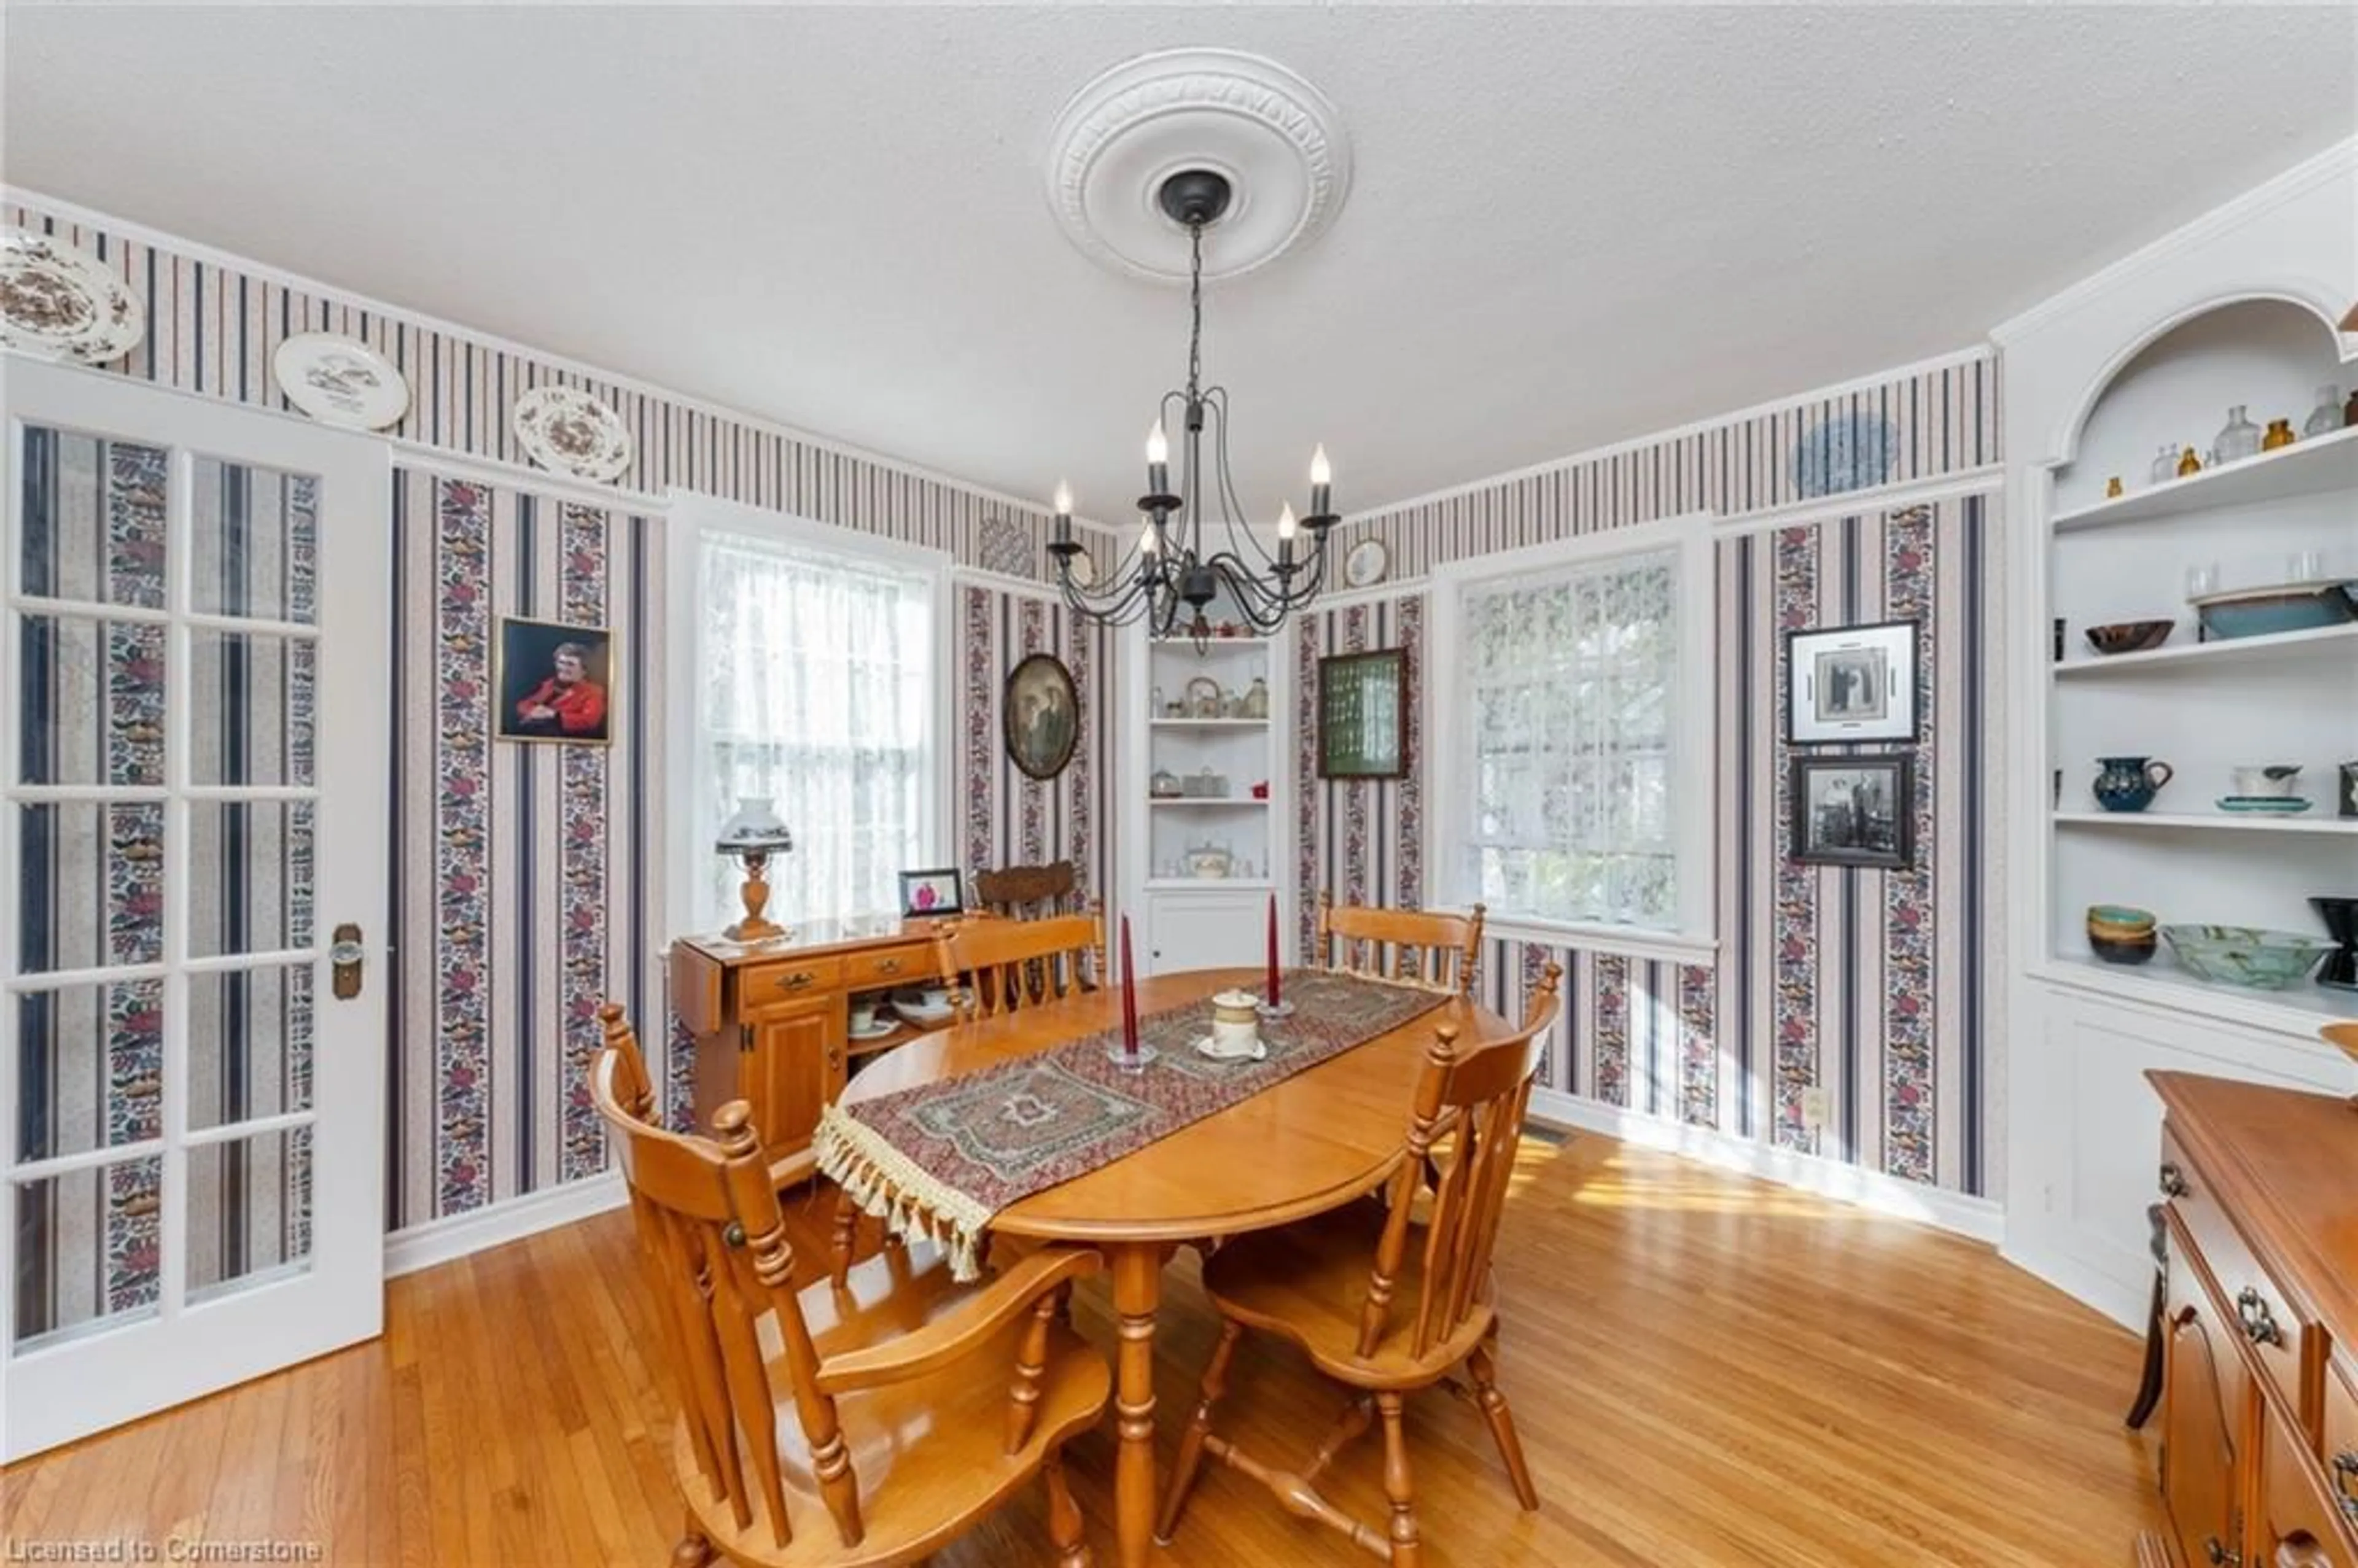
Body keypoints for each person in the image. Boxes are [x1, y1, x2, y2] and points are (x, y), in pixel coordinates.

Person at [514, 641, 606, 737]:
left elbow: (590, 720)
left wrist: (553, 715)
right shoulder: (549, 684)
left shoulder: (593, 691)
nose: (564, 668)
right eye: (561, 662)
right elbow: (524, 704)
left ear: (584, 670)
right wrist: (533, 711)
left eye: (570, 664)